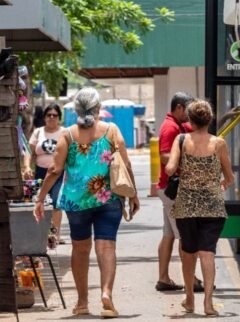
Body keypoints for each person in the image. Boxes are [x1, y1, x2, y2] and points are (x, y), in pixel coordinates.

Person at [34, 87, 140, 318]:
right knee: (107, 246)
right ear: (98, 108)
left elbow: (54, 169)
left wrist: (40, 198)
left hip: (77, 203)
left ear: (77, 109)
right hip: (109, 199)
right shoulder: (111, 130)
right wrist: (133, 194)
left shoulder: (68, 135)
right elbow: (126, 164)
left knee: (80, 249)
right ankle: (106, 293)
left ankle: (82, 303)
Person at [166, 100, 234, 317]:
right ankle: (208, 303)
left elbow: (169, 169)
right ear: (209, 119)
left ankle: (189, 298)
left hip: (187, 207)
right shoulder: (219, 143)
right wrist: (221, 183)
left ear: (190, 119)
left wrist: (173, 167)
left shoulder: (182, 139)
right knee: (207, 253)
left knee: (188, 253)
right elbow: (229, 176)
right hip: (213, 207)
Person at [155, 92, 199, 292]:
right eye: (187, 110)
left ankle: (163, 278)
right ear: (179, 108)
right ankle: (192, 281)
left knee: (169, 235)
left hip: (168, 189)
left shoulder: (180, 125)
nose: (189, 114)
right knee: (184, 235)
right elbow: (164, 155)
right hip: (172, 190)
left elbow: (202, 128)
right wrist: (185, 162)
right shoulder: (170, 127)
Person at [29, 103, 67, 243]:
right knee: (40, 201)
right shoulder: (38, 132)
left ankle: (55, 235)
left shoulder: (64, 132)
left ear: (59, 118)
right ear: (44, 117)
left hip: (58, 173)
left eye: (54, 115)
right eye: (48, 115)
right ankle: (42, 234)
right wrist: (27, 166)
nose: (51, 117)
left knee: (56, 202)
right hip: (40, 173)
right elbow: (29, 151)